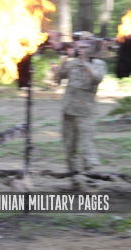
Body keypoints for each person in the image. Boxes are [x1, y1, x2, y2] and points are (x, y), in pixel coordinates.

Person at [55, 32, 108, 189]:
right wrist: (65, 59)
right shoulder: (72, 63)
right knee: (70, 148)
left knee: (87, 148)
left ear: (91, 47)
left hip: (85, 113)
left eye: (84, 45)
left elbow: (97, 78)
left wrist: (85, 62)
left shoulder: (98, 63)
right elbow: (58, 77)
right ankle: (75, 181)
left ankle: (92, 183)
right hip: (68, 111)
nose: (81, 48)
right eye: (79, 45)